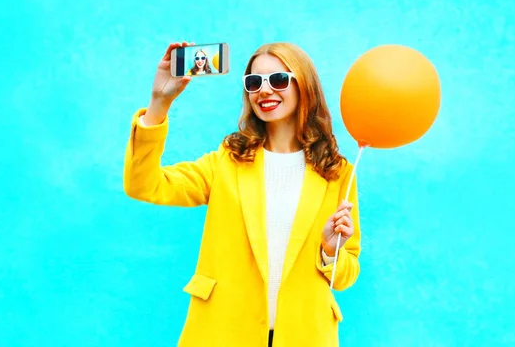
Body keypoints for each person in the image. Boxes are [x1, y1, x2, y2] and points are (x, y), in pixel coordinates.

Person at [123, 41, 362, 347]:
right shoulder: (228, 159)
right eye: (254, 82)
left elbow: (345, 275)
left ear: (304, 86)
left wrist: (330, 250)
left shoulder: (336, 172)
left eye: (278, 80)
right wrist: (159, 104)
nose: (264, 90)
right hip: (223, 333)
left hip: (306, 335)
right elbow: (144, 184)